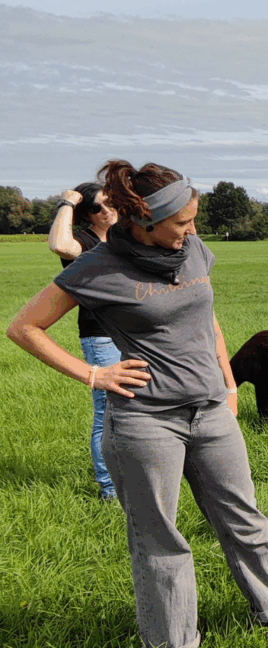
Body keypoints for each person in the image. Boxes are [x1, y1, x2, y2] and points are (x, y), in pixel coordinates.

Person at [7, 161, 268, 647]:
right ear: (144, 222)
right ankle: (173, 641)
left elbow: (208, 321)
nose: (192, 231)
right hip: (145, 422)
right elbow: (23, 327)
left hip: (210, 411)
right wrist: (94, 374)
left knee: (244, 518)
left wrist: (229, 387)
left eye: (194, 221)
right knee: (159, 541)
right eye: (182, 223)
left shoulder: (192, 250)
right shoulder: (97, 267)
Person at [48, 182, 121, 501]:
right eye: (96, 207)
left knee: (136, 408)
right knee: (107, 413)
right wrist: (67, 202)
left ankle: (135, 477)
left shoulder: (124, 238)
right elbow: (59, 245)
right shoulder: (84, 242)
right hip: (101, 336)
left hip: (134, 334)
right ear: (85, 215)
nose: (106, 211)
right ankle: (109, 490)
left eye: (110, 203)